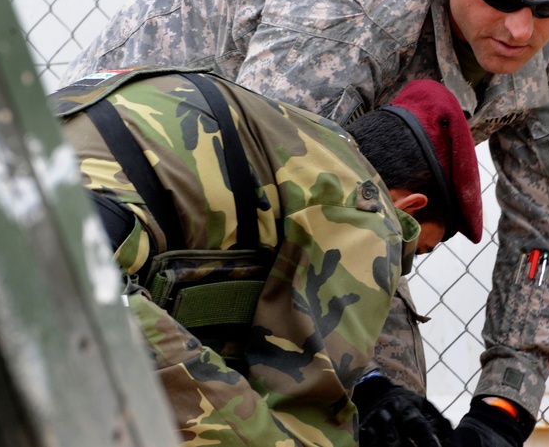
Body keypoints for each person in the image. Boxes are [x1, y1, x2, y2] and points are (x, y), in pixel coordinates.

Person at [62, 0, 549, 445]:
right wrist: (369, 386)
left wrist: (502, 410)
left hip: (305, 200)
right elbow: (280, 214)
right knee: (256, 418)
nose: (520, 29)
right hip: (154, 199)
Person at [50, 67, 482, 446]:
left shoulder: (293, 141)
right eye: (415, 250)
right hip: (76, 268)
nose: (398, 263)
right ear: (410, 208)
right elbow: (308, 410)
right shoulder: (367, 211)